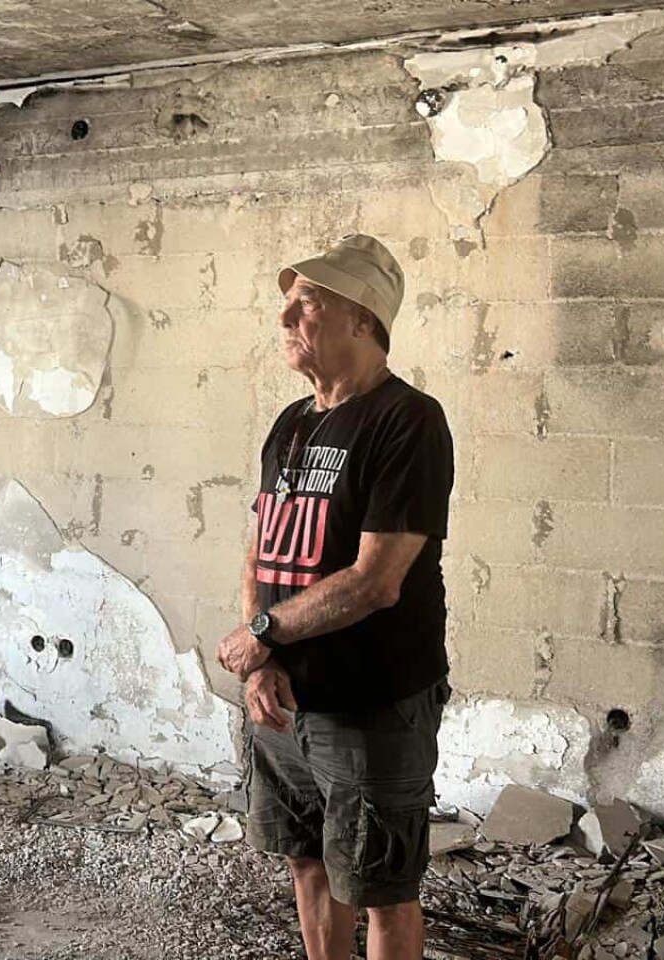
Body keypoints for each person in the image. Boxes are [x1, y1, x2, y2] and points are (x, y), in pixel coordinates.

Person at [215, 234, 454, 960]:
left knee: (381, 889)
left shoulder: (407, 420)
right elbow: (262, 544)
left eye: (308, 304)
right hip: (283, 698)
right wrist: (263, 662)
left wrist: (262, 633)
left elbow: (376, 580)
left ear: (364, 321)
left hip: (370, 704)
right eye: (287, 304)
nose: (287, 319)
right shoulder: (292, 423)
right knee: (308, 862)